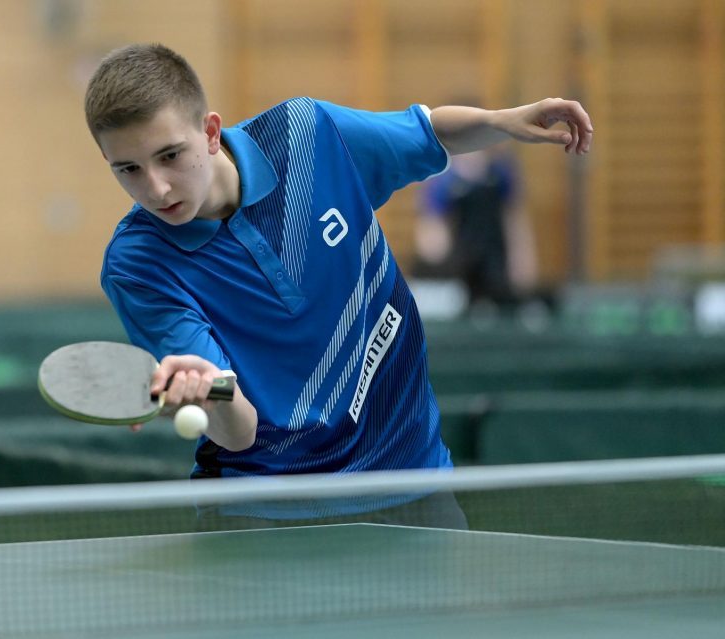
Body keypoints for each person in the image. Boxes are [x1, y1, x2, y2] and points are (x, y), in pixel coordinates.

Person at [85, 44, 591, 523]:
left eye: (170, 155)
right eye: (127, 169)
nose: (156, 188)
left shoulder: (308, 137)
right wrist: (207, 391)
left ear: (211, 131)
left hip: (411, 478)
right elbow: (238, 435)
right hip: (267, 512)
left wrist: (504, 122)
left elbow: (427, 134)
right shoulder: (138, 263)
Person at [414, 145, 538, 309]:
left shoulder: (500, 171)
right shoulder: (442, 178)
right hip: (460, 268)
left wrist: (522, 257)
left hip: (495, 265)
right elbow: (431, 232)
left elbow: (514, 219)